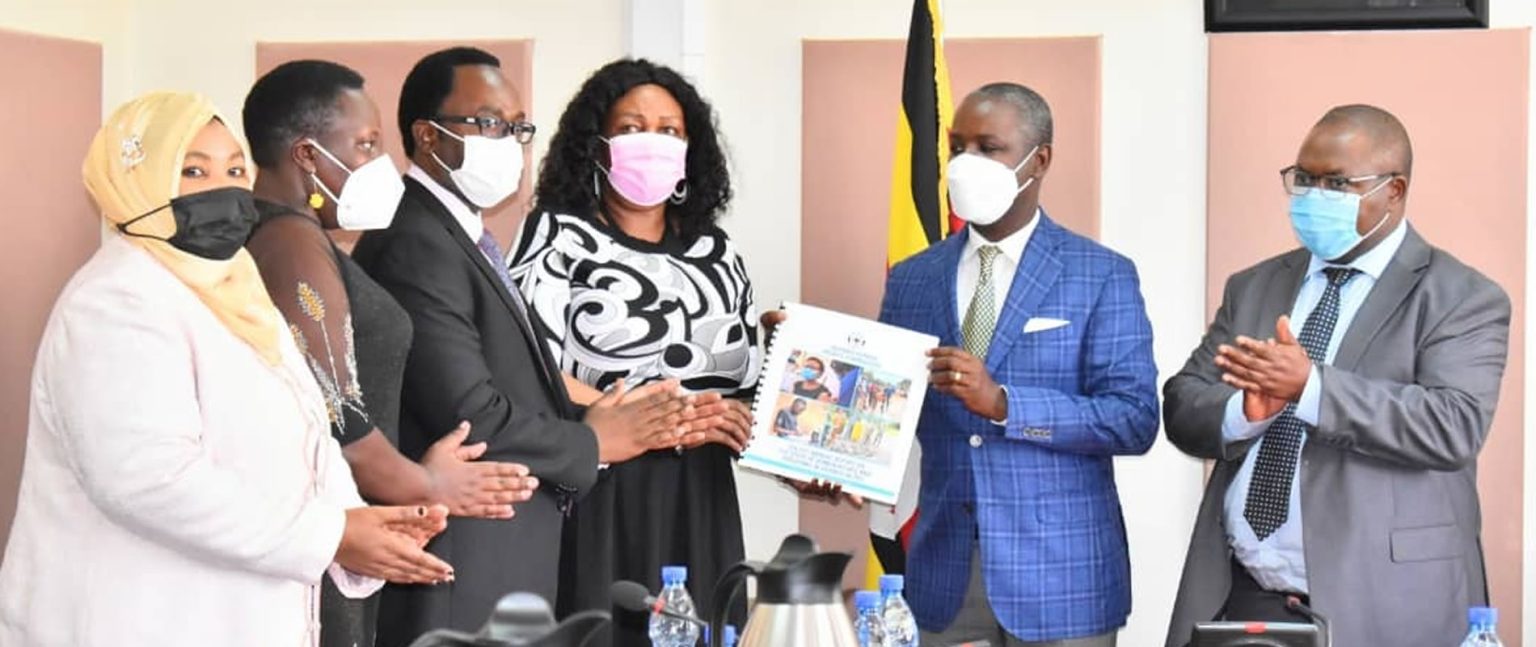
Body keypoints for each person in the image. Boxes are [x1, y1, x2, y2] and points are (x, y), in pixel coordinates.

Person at [0, 91, 453, 646]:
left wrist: (360, 521)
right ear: (135, 182)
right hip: (135, 619)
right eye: (193, 171)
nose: (223, 187)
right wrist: (330, 534)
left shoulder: (237, 286)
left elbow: (308, 428)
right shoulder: (116, 299)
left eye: (235, 169)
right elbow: (149, 478)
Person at [351, 48, 715, 646]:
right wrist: (596, 441)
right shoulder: (416, 241)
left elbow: (518, 386)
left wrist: (603, 418)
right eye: (488, 123)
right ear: (427, 135)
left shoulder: (460, 235)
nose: (510, 144)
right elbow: (471, 415)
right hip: (459, 562)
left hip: (501, 555)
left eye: (518, 128)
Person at [1162, 105, 1510, 647]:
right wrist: (1241, 413)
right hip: (1244, 589)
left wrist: (1311, 389)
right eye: (1303, 178)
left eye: (1336, 183)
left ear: (1394, 191)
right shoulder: (1254, 285)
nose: (1312, 195)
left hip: (1386, 598)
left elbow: (1453, 425)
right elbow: (1183, 404)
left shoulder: (1461, 296)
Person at [241, 60, 541, 647]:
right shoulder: (291, 243)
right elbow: (340, 415)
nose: (380, 162)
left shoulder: (292, 235)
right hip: (329, 529)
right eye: (366, 144)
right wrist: (427, 484)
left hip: (335, 522)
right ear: (306, 156)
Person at [876, 83, 1158, 646]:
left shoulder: (1101, 274)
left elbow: (1133, 419)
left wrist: (1005, 404)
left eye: (988, 148)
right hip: (944, 574)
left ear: (1040, 160)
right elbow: (887, 409)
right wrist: (811, 381)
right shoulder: (912, 278)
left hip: (1063, 580)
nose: (965, 163)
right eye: (957, 147)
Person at [507, 58, 755, 645]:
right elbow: (526, 361)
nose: (652, 142)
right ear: (596, 146)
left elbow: (743, 383)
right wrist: (649, 418)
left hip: (702, 494)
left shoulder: (718, 251)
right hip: (602, 485)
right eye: (630, 128)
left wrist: (750, 411)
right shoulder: (555, 234)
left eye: (669, 131)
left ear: (690, 149)